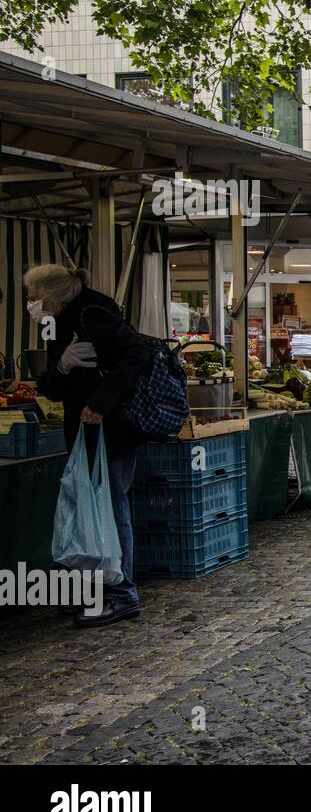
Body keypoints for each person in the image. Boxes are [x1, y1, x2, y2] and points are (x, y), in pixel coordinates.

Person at [25, 264, 153, 627]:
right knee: (88, 508)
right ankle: (93, 588)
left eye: (33, 298)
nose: (30, 304)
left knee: (111, 508)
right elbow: (50, 385)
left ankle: (121, 593)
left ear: (52, 295)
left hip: (111, 428)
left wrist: (100, 402)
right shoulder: (57, 321)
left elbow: (137, 355)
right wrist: (62, 368)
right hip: (82, 430)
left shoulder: (94, 311)